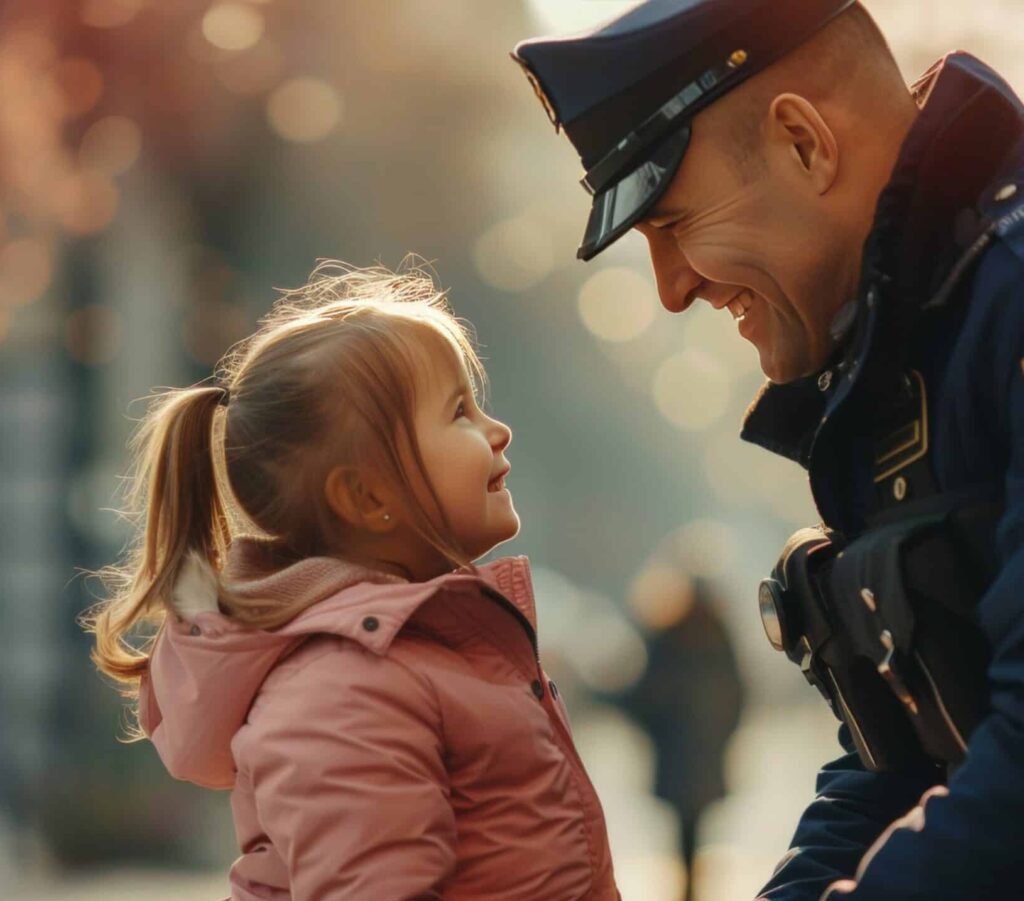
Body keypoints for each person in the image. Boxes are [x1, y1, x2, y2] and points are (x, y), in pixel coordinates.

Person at [513, 1, 1024, 899]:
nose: (670, 290)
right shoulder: (904, 344)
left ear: (803, 143)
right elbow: (895, 756)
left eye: (673, 222)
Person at [82, 262, 620, 900]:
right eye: (459, 413)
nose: (498, 431)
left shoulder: (427, 651)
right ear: (366, 497)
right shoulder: (344, 688)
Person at [620, 571, 744, 901]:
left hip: (677, 753)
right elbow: (739, 694)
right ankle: (692, 890)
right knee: (695, 825)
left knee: (684, 827)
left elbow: (645, 697)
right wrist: (722, 735)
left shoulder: (668, 638)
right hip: (705, 753)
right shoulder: (720, 639)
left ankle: (689, 890)